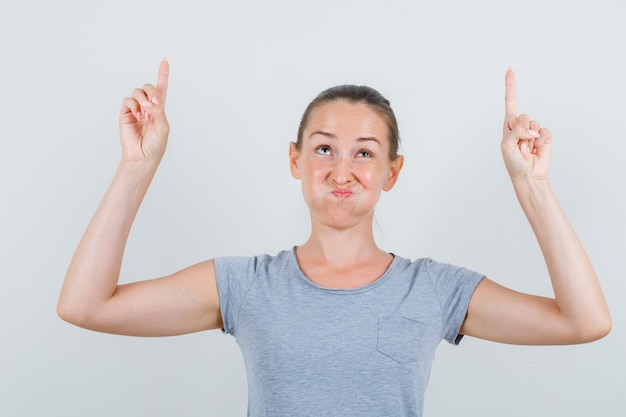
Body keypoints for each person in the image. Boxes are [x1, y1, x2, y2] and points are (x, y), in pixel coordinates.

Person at [57, 59, 611, 416]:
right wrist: (137, 167)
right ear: (295, 160)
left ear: (392, 172)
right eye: (324, 148)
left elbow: (585, 322)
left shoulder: (433, 290)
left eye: (364, 152)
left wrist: (533, 186)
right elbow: (85, 306)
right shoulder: (246, 286)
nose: (341, 170)